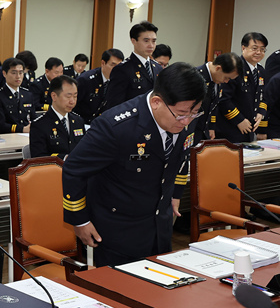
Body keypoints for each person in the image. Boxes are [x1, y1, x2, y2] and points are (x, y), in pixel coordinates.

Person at [63, 62, 205, 267]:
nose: (187, 121)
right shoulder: (116, 127)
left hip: (160, 227)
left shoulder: (185, 116)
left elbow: (179, 159)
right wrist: (80, 221)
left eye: (194, 113)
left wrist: (175, 195)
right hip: (119, 231)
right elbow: (73, 169)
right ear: (156, 102)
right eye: (182, 114)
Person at [217, 32, 268, 143]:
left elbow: (263, 97)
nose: (258, 52)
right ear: (243, 48)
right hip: (230, 128)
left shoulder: (261, 71)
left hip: (249, 129)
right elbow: (223, 99)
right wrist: (239, 120)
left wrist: (261, 113)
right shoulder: (234, 68)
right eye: (254, 48)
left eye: (262, 49)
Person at [106, 21, 163, 109]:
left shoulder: (158, 68)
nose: (151, 45)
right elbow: (115, 105)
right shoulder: (122, 69)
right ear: (134, 41)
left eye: (154, 41)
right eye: (146, 41)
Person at [29, 75, 84, 159]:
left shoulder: (78, 121)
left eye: (75, 96)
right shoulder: (40, 125)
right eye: (68, 96)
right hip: (54, 167)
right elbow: (38, 157)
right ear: (54, 96)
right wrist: (65, 158)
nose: (72, 101)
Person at [195, 52, 241, 142]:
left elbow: (214, 105)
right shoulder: (196, 77)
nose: (226, 81)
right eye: (227, 77)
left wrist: (211, 126)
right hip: (192, 130)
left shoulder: (216, 80)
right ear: (218, 68)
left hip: (204, 132)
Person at [0, 57, 36, 134]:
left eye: (21, 73)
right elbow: (0, 125)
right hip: (8, 136)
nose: (18, 76)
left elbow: (33, 118)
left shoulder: (27, 94)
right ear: (4, 73)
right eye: (14, 73)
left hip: (27, 136)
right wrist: (22, 129)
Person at [74, 49, 124, 123]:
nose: (117, 69)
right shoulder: (85, 80)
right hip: (83, 123)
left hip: (104, 124)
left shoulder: (120, 81)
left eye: (119, 65)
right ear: (103, 63)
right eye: (113, 65)